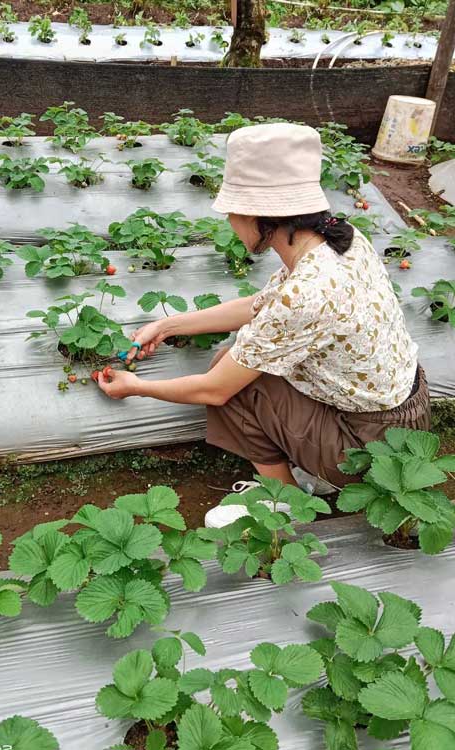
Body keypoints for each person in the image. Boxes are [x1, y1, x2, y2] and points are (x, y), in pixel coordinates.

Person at [97, 123, 431, 523]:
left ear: (259, 216)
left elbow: (215, 391)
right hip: (403, 413)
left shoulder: (308, 291)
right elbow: (262, 306)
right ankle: (313, 470)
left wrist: (137, 387)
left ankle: (285, 502)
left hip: (369, 444)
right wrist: (168, 326)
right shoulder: (339, 241)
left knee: (237, 384)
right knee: (237, 359)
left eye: (233, 212)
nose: (231, 222)